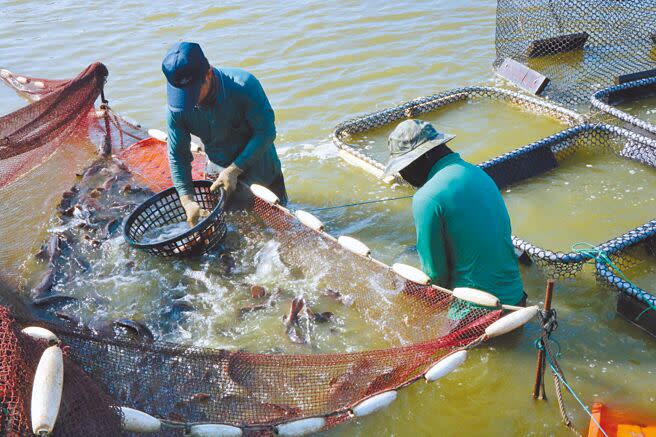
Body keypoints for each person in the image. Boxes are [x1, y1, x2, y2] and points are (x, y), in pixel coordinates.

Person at [383, 119, 526, 306]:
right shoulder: (477, 172)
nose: (403, 176)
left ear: (424, 156)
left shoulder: (426, 198)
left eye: (403, 168)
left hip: (476, 309)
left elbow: (435, 277)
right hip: (516, 299)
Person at [162, 42, 287, 226]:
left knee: (275, 230)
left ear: (208, 74)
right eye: (182, 95)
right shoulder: (177, 109)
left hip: (263, 174)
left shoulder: (244, 86)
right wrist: (187, 200)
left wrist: (234, 170)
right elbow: (178, 156)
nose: (189, 102)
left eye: (193, 93)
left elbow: (266, 132)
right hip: (218, 175)